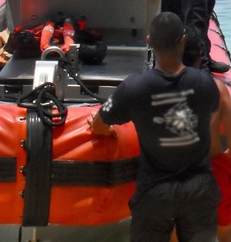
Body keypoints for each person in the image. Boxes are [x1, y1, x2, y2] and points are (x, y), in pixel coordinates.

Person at [89, 12, 220, 242]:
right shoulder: (205, 83)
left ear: (149, 41)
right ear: (182, 41)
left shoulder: (133, 88)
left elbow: (99, 125)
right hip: (198, 189)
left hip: (155, 192)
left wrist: (108, 130)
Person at [181, 27, 231, 242]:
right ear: (201, 56)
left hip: (179, 173)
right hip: (214, 169)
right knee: (225, 231)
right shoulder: (217, 87)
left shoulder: (160, 87)